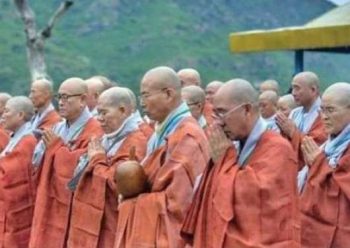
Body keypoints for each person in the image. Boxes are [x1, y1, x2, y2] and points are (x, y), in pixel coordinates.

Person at [182, 79, 300, 248]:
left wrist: (225, 159)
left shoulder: (278, 148)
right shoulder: (234, 143)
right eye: (215, 114)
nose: (218, 122)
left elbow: (252, 197)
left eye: (222, 113)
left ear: (246, 110)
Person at [114, 66, 209, 247]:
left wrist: (133, 201)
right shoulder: (162, 131)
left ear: (168, 94)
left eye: (146, 95)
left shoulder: (187, 136)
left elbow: (178, 204)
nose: (142, 103)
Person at [67, 87, 150, 248]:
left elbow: (118, 184)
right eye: (98, 113)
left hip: (113, 222)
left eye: (104, 113)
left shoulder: (137, 141)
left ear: (123, 110)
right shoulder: (105, 138)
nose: (99, 119)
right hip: (91, 219)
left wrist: (97, 159)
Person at [29, 77, 103, 248]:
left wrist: (56, 148)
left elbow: (84, 166)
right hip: (50, 197)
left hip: (72, 203)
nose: (61, 103)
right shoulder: (57, 127)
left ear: (83, 100)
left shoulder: (95, 129)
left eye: (66, 97)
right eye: (59, 97)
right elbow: (37, 161)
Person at [300, 82, 350, 248]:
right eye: (322, 110)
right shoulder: (326, 145)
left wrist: (319, 164)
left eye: (331, 110)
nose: (324, 117)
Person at [276, 71, 327, 192]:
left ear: (313, 90)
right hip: (293, 171)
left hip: (311, 175)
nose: (293, 93)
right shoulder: (295, 112)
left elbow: (318, 143)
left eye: (297, 89)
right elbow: (285, 143)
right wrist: (285, 132)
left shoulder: (324, 113)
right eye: (292, 88)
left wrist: (293, 132)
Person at [0, 96, 37, 247]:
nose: (3, 115)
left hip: (18, 210)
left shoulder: (27, 142)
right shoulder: (15, 138)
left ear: (20, 115)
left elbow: (10, 175)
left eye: (7, 111)